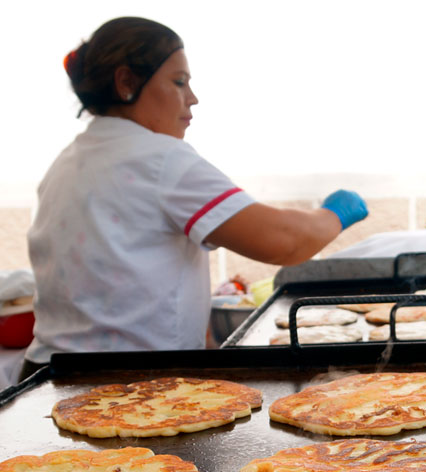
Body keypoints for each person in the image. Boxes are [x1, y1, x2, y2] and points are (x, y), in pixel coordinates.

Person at [20, 16, 368, 380]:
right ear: (127, 83)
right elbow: (283, 240)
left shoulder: (67, 162)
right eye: (179, 82)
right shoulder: (159, 158)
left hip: (48, 377)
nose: (193, 98)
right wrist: (335, 213)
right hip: (126, 382)